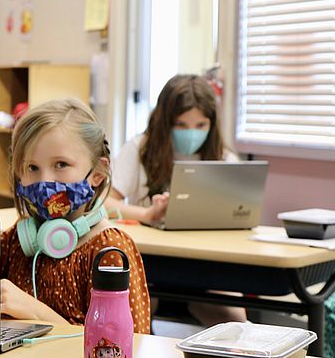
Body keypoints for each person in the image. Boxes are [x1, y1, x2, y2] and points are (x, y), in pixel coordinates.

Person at [0, 98, 152, 334]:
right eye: (32, 168)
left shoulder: (109, 251)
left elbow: (122, 350)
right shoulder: (16, 243)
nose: (45, 181)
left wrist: (37, 313)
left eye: (61, 164)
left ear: (98, 174)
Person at [106, 74, 247, 326]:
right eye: (181, 125)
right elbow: (105, 203)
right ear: (165, 121)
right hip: (150, 263)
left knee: (235, 322)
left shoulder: (225, 159)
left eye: (200, 125)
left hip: (207, 265)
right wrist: (148, 214)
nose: (191, 133)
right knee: (136, 313)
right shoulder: (139, 148)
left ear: (211, 125)